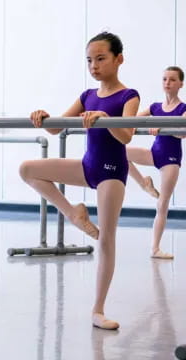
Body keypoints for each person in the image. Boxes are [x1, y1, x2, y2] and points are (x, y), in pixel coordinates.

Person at [19, 32, 140, 330]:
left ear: (118, 59)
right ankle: (73, 212)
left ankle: (98, 310)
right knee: (28, 169)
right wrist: (43, 116)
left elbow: (127, 135)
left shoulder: (129, 96)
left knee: (106, 238)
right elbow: (55, 130)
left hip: (112, 171)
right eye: (89, 60)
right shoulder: (87, 95)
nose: (94, 66)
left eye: (101, 59)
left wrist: (104, 118)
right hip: (88, 166)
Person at [126, 66, 186, 260]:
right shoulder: (154, 107)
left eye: (172, 79)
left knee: (162, 204)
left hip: (171, 159)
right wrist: (135, 126)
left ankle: (155, 249)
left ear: (180, 84)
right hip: (154, 153)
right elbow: (130, 122)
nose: (167, 82)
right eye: (164, 79)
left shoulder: (183, 109)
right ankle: (144, 183)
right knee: (120, 151)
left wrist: (161, 126)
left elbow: (182, 133)